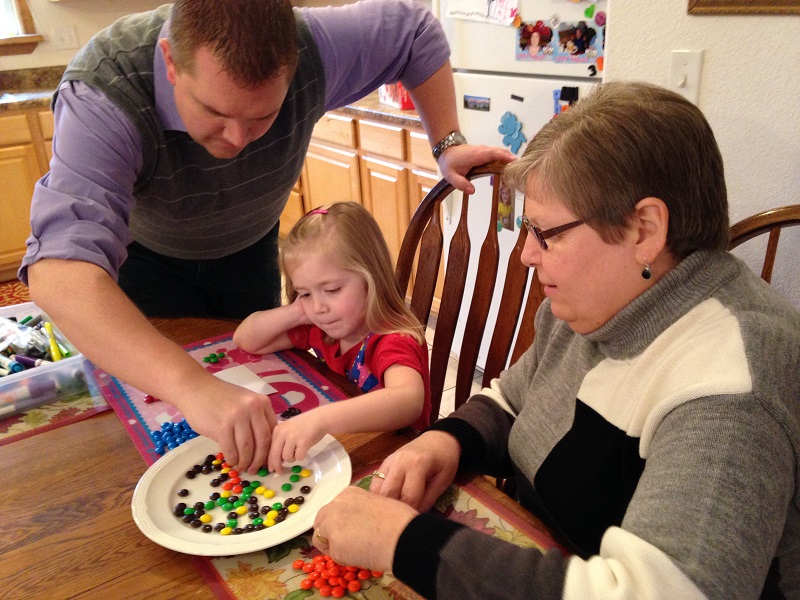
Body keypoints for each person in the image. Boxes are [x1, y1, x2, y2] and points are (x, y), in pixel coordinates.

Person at [312, 81, 800, 599]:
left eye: (547, 234)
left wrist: (404, 543)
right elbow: (510, 401)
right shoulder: (594, 306)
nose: (526, 254)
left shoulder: (734, 383)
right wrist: (447, 441)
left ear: (645, 230)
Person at [19, 0, 514, 473]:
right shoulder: (106, 91)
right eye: (214, 111)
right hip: (146, 260)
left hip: (250, 245)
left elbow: (414, 32)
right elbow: (61, 274)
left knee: (241, 398)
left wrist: (447, 142)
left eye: (261, 117)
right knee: (157, 418)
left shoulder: (317, 49)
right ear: (170, 62)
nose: (236, 141)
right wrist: (191, 387)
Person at [233, 202, 431, 473]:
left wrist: (320, 420)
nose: (319, 308)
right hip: (352, 446)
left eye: (332, 289)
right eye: (305, 293)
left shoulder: (393, 339)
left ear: (370, 278)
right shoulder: (323, 328)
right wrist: (297, 311)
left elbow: (408, 401)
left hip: (399, 458)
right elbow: (247, 339)